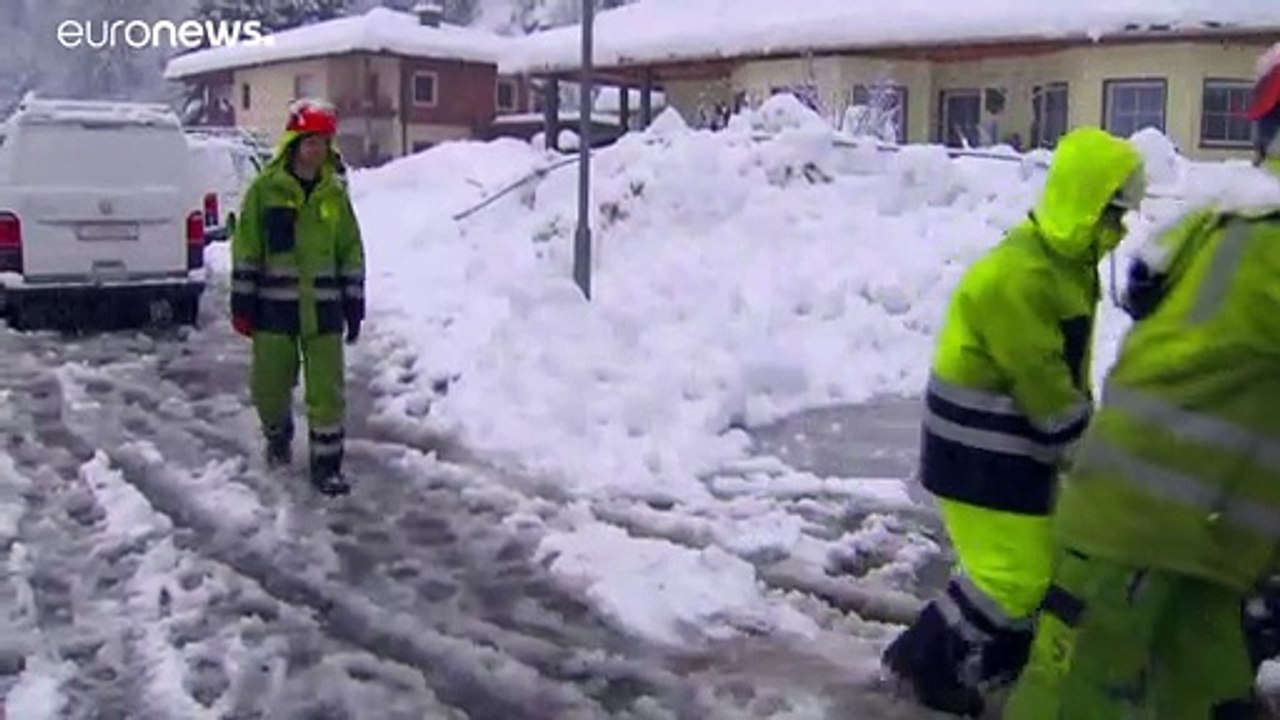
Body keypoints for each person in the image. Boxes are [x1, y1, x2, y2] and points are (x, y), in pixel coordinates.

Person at [1000, 44, 1280, 720]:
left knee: (1202, 700)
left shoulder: (1224, 219)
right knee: (1073, 702)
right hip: (1143, 532)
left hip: (1192, 538)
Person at [880, 126, 1147, 717]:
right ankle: (922, 660)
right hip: (976, 454)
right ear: (1084, 205)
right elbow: (1043, 384)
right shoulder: (1019, 277)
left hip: (1011, 451)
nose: (1121, 230)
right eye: (1113, 215)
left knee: (1039, 564)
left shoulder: (1064, 266)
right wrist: (1089, 456)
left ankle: (999, 656)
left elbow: (1065, 376)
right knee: (1013, 579)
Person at [230, 98, 366, 496]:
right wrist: (243, 302)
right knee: (269, 387)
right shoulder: (265, 191)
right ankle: (278, 434)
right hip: (274, 311)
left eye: (322, 142)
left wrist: (354, 301)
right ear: (294, 142)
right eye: (310, 142)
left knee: (327, 393)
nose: (316, 150)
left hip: (324, 312)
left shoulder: (334, 194)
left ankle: (327, 466)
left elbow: (350, 249)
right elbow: (247, 247)